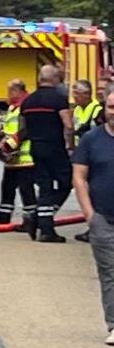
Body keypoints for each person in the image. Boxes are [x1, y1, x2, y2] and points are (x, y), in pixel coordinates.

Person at [70, 86, 114, 345]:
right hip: (103, 219)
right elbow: (79, 176)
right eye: (111, 107)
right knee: (110, 273)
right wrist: (89, 215)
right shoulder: (91, 140)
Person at [20, 62, 75, 243]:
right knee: (66, 182)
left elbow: (22, 129)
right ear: (53, 79)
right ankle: (41, 221)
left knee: (45, 188)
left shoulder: (28, 101)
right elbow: (68, 125)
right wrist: (71, 146)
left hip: (36, 148)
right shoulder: (58, 99)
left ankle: (43, 225)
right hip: (55, 148)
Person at [0, 79, 35, 230]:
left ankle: (31, 221)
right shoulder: (12, 108)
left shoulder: (26, 106)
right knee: (7, 187)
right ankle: (3, 217)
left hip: (24, 157)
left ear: (18, 91)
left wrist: (9, 145)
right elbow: (9, 128)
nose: (8, 95)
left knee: (26, 189)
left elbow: (25, 130)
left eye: (10, 91)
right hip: (12, 157)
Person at [70, 80, 104, 240]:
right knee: (86, 193)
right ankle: (92, 227)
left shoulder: (97, 110)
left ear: (87, 94)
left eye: (77, 93)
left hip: (95, 157)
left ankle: (96, 229)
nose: (74, 97)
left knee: (95, 194)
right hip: (82, 157)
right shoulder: (77, 109)